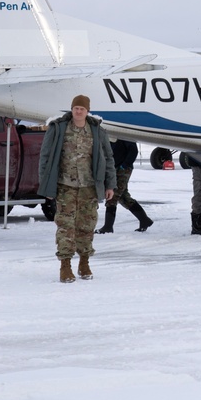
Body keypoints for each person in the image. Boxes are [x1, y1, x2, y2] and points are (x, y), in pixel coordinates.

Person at [38, 95, 116, 283]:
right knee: (65, 226)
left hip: (89, 186)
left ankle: (84, 262)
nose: (78, 111)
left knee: (86, 226)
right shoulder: (59, 129)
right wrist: (46, 184)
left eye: (82, 108)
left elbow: (108, 158)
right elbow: (45, 157)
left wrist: (110, 184)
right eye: (75, 108)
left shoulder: (97, 130)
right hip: (65, 186)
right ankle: (65, 265)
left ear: (87, 111)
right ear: (71, 110)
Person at [96, 139, 153, 234]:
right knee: (123, 197)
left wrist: (125, 165)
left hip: (123, 169)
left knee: (113, 195)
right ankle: (144, 220)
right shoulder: (109, 135)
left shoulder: (124, 134)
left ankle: (108, 227)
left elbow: (133, 150)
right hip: (114, 167)